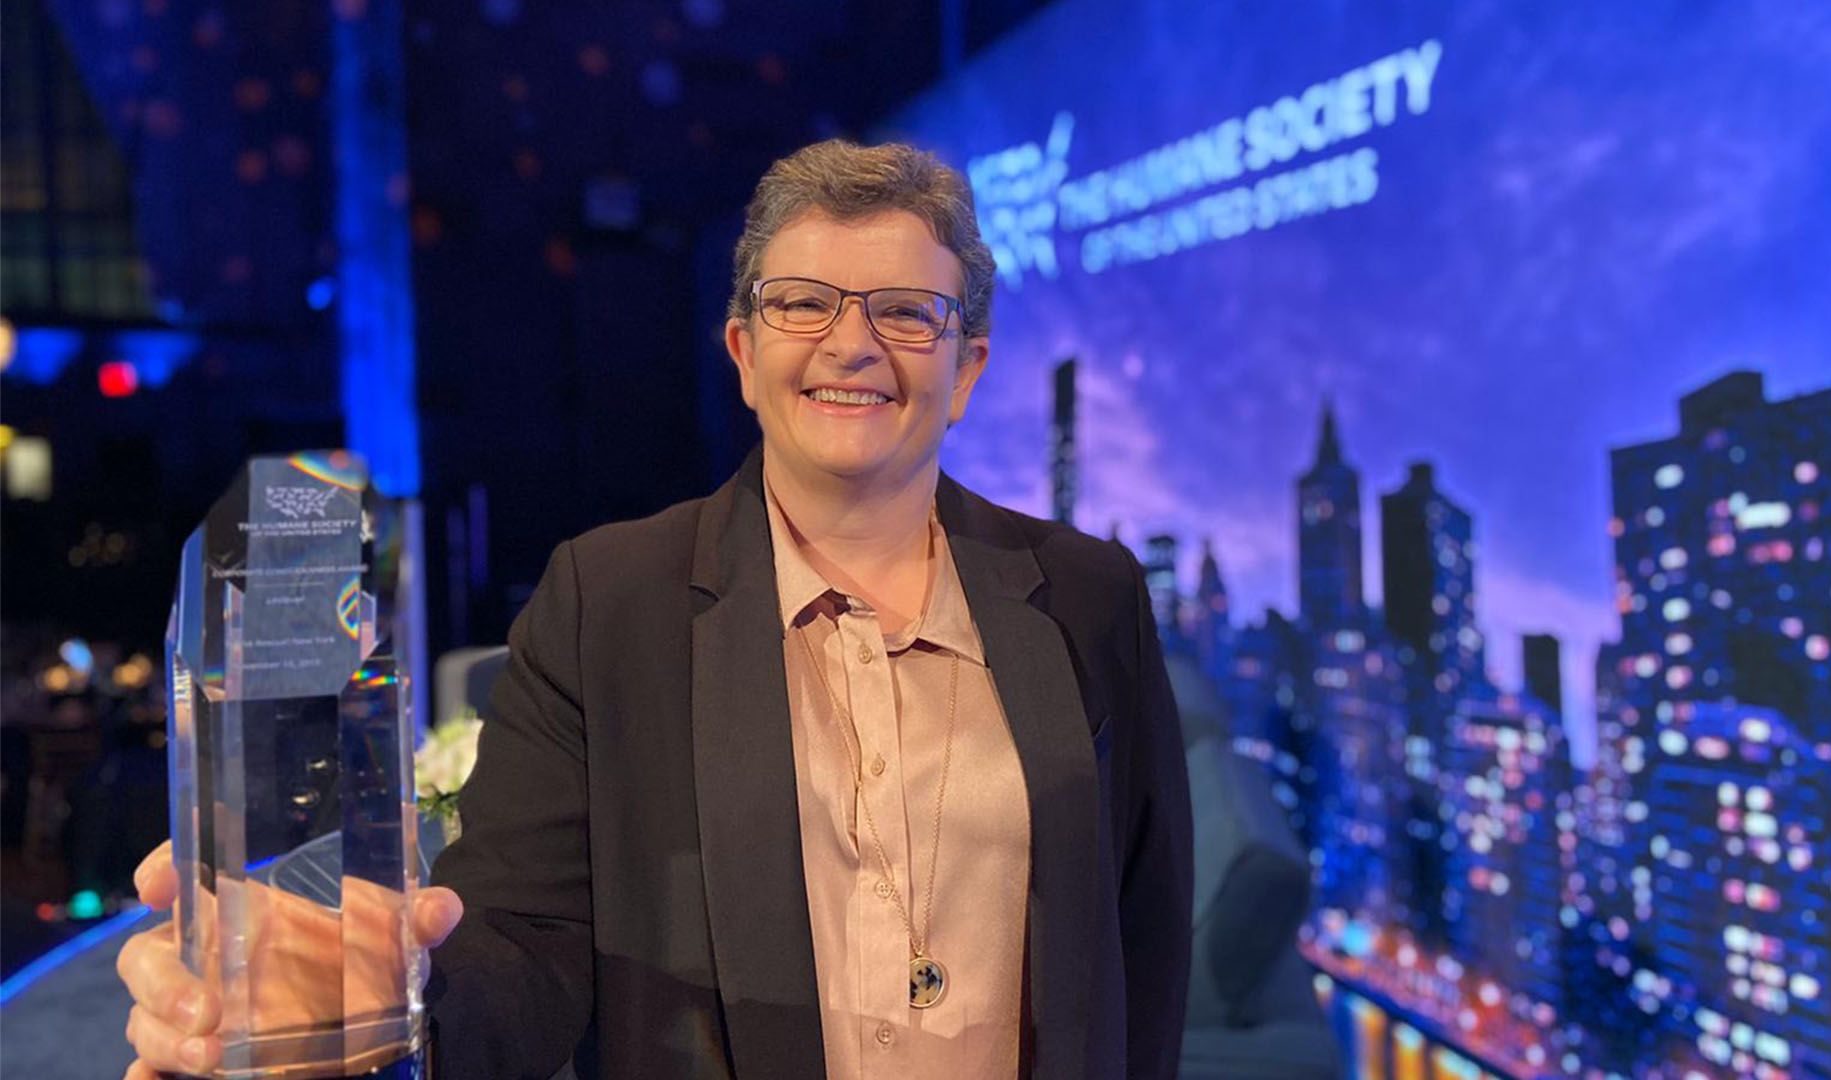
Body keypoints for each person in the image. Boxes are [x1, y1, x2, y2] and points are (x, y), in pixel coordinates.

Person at [118, 139, 1194, 1079]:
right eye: (803, 302)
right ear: (744, 353)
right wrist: (376, 1006)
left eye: (907, 314)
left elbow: (1139, 950)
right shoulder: (606, 604)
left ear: (965, 370)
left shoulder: (1089, 599)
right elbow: (524, 942)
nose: (851, 343)